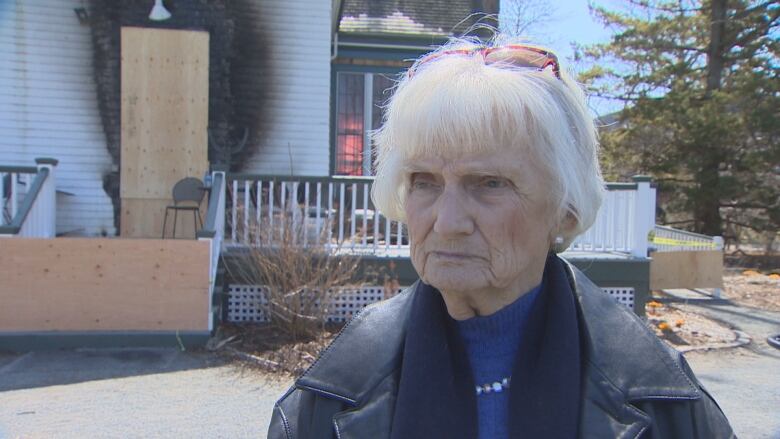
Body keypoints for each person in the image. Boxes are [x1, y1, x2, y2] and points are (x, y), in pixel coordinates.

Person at [268, 37, 734, 438]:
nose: (448, 221)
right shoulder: (326, 400)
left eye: (489, 183)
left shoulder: (666, 404)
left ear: (565, 211)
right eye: (424, 181)